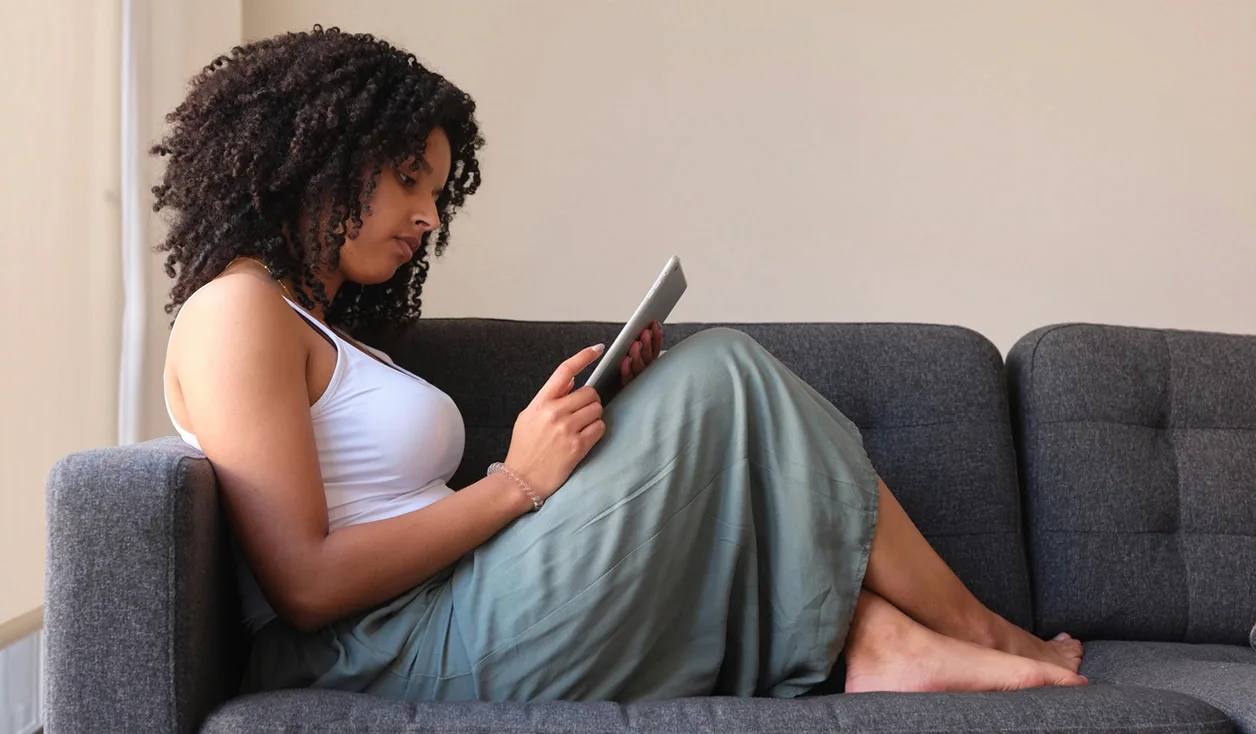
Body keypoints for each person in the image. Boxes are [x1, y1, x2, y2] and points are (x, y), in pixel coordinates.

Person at [155, 26, 1086, 702]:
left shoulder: (319, 327)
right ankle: (970, 628)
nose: (430, 218)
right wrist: (518, 480)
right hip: (395, 647)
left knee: (704, 387)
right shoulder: (235, 313)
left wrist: (603, 425)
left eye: (438, 192)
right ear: (320, 156)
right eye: (409, 180)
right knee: (725, 375)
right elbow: (307, 586)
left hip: (458, 597)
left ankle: (877, 643)